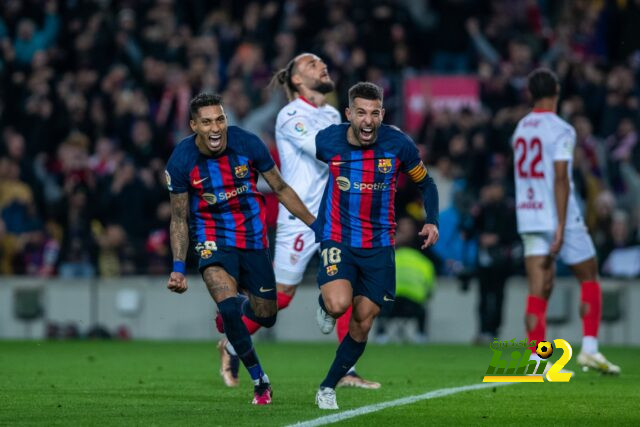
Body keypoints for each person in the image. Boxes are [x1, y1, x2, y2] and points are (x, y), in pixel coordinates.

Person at [216, 53, 380, 389]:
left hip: (335, 216)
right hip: (300, 217)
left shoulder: (334, 113)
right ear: (296, 80)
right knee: (280, 298)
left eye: (322, 62)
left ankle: (346, 371)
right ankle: (232, 336)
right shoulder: (291, 115)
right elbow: (323, 150)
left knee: (352, 286)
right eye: (311, 64)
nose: (321, 66)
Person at [165, 92, 318, 405]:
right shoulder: (181, 160)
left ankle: (232, 323)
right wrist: (178, 268)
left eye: (220, 119)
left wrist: (317, 226)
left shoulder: (247, 144)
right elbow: (179, 219)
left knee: (267, 315)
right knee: (229, 306)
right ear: (194, 125)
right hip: (211, 240)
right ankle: (260, 381)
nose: (215, 127)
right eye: (206, 122)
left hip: (252, 239)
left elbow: (281, 188)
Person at [312, 82, 440, 409]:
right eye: (361, 113)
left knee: (364, 322)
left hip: (380, 245)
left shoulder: (398, 144)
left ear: (382, 114)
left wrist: (432, 220)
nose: (368, 120)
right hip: (338, 236)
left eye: (374, 113)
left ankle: (328, 386)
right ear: (349, 114)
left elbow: (426, 183)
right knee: (339, 305)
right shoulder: (327, 141)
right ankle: (325, 302)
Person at [511, 68, 620, 375]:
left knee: (538, 290)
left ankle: (536, 361)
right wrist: (560, 225)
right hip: (559, 215)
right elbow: (561, 177)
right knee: (589, 275)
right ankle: (589, 349)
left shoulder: (520, 129)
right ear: (556, 91)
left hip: (529, 214)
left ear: (531, 93)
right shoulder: (562, 129)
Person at [375, 217, 435, 344]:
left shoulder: (386, 257)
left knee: (379, 306)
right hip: (413, 303)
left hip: (391, 303)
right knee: (422, 310)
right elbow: (429, 289)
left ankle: (381, 335)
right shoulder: (423, 260)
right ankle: (421, 335)